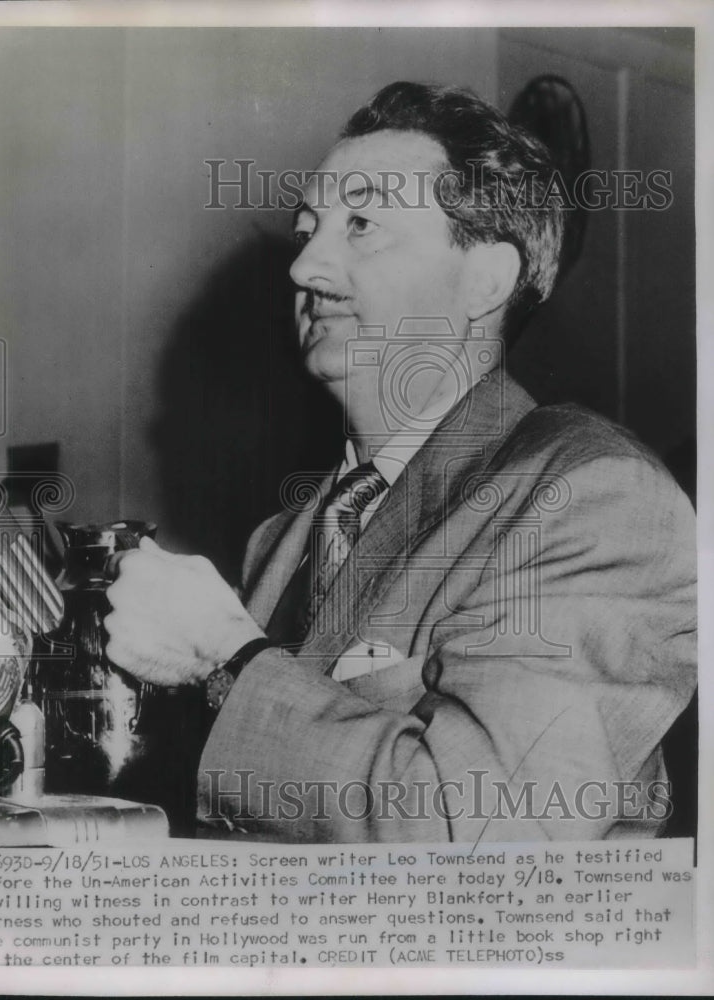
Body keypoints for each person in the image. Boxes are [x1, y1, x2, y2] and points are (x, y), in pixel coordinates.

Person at [104, 82, 697, 843]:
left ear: (486, 280)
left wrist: (227, 657)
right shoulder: (280, 539)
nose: (305, 268)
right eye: (307, 227)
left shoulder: (597, 498)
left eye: (362, 225)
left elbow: (478, 835)